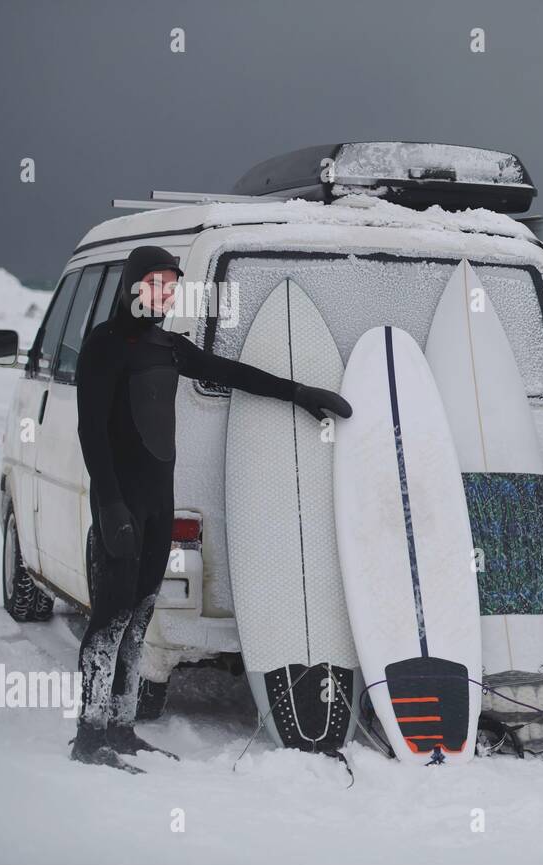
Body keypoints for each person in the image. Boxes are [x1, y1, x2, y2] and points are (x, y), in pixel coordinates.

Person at [73, 246, 351, 771]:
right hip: (122, 504)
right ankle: (89, 735)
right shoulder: (104, 346)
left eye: (171, 285)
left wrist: (298, 391)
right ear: (133, 285)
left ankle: (121, 723)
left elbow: (234, 372)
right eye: (155, 283)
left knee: (139, 619)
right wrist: (110, 504)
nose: (165, 294)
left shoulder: (169, 346)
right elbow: (91, 432)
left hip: (158, 501)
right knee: (110, 620)